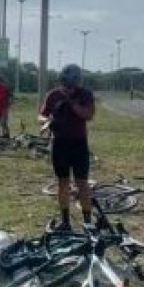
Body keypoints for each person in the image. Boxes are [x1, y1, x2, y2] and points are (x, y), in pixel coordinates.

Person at [39, 64, 96, 231]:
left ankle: (87, 222)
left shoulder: (85, 94)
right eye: (65, 84)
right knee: (62, 183)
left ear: (78, 82)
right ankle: (65, 221)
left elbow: (89, 115)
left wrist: (70, 102)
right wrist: (46, 121)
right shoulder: (53, 95)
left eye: (71, 85)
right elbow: (41, 115)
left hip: (78, 144)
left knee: (82, 183)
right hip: (59, 144)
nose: (68, 88)